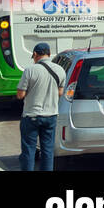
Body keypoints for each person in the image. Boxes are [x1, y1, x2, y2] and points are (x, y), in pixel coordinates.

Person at [17, 42, 65, 171]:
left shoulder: (29, 70)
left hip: (31, 116)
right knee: (48, 150)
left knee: (29, 150)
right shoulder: (60, 70)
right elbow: (60, 92)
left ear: (35, 54)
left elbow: (20, 95)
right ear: (49, 54)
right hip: (51, 116)